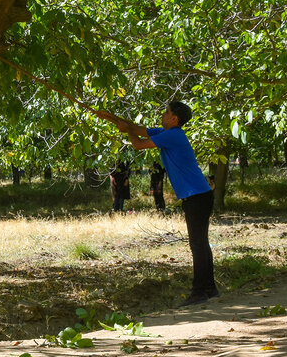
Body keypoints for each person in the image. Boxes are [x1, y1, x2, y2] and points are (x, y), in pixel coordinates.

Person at [93, 101, 217, 306]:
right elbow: (137, 128)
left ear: (174, 118)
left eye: (166, 112)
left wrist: (127, 131)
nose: (163, 114)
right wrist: (111, 117)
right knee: (200, 244)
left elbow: (138, 143)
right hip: (198, 195)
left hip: (197, 197)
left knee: (198, 245)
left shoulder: (172, 135)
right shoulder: (166, 132)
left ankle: (200, 291)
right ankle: (209, 289)